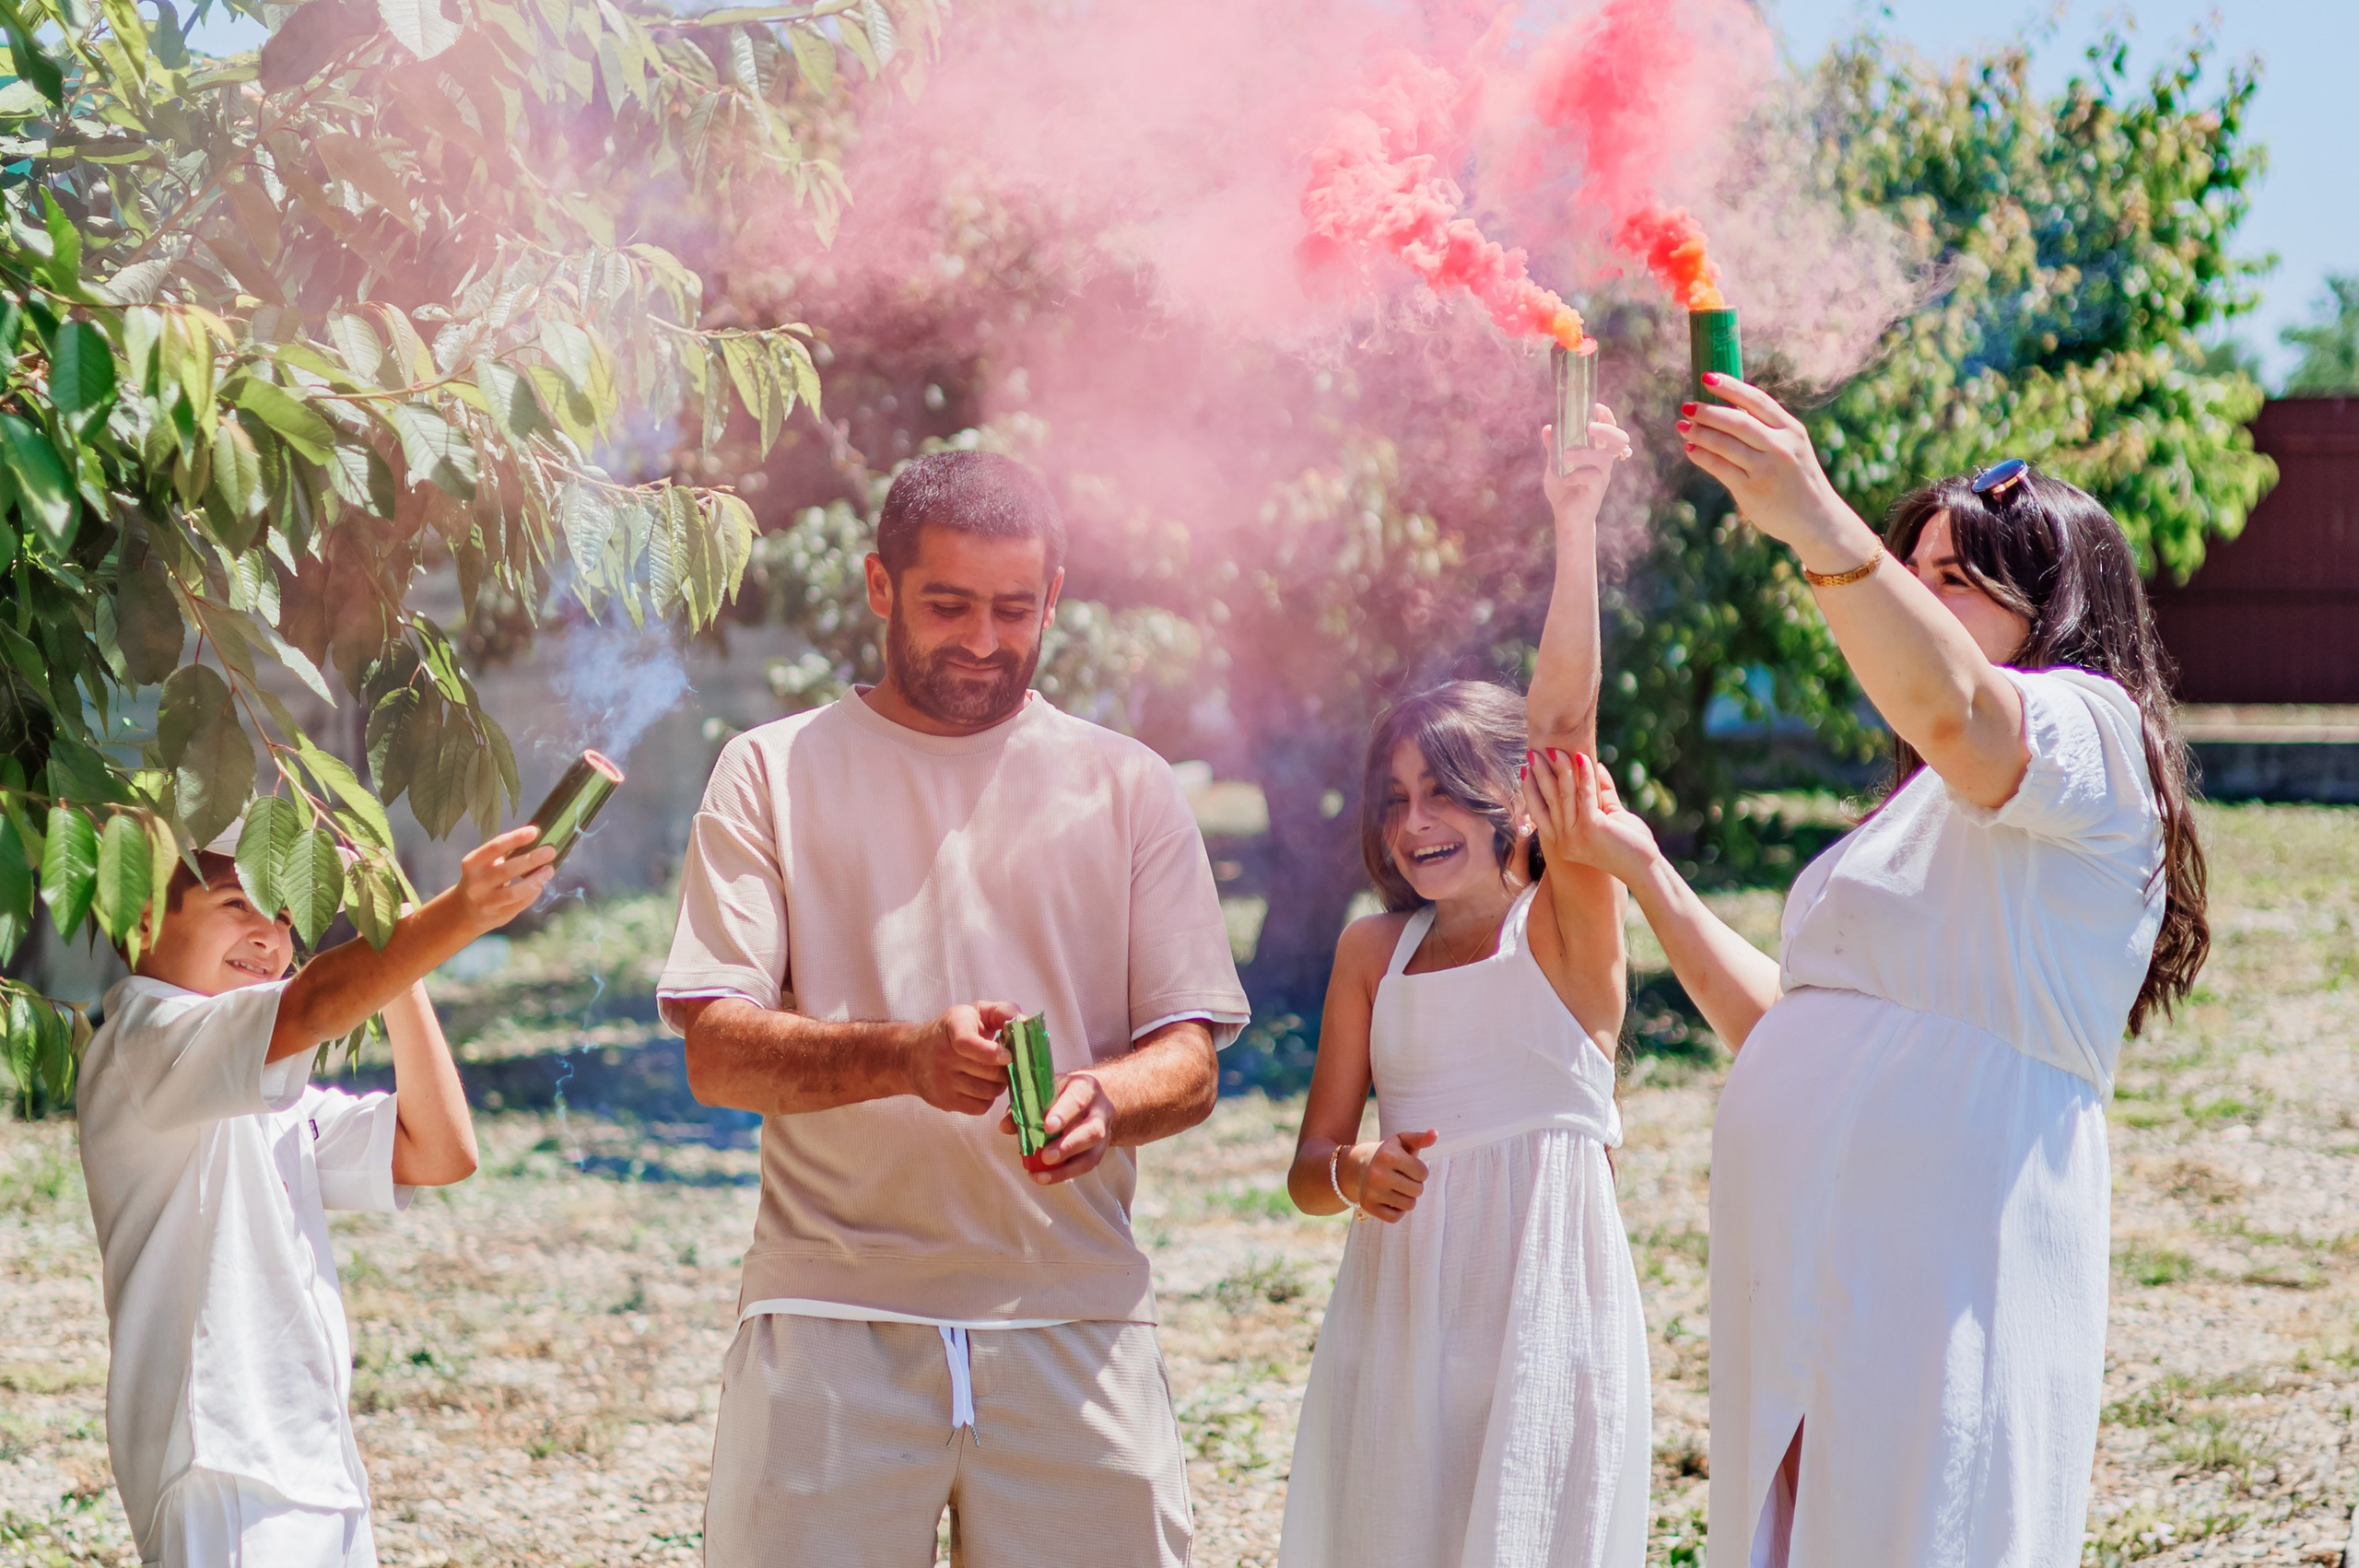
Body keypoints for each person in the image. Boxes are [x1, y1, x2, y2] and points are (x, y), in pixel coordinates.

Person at [1550, 375, 2211, 1566]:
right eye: (1912, 571)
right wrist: (1647, 872)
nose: (1912, 593)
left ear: (2057, 604)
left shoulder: (2097, 736)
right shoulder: (1910, 818)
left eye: (1952, 576)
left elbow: (1959, 708)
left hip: (1950, 1243)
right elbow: (1796, 1024)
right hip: (1810, 1265)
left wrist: (1816, 521)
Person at [658, 449, 1250, 1568]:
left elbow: (1189, 1053)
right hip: (830, 1315)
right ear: (881, 587)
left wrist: (1103, 1098)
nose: (983, 638)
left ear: (1055, 599)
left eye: (1014, 608)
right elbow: (718, 1054)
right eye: (948, 604)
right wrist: (905, 1057)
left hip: (1075, 1315)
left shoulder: (1130, 785)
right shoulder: (768, 770)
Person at [1278, 404, 1649, 1566]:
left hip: (1545, 1314)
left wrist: (1573, 522)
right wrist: (1354, 1174)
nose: (1414, 820)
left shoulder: (1567, 926)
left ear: (1513, 803)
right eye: (1393, 797)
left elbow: (1568, 727)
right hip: (1396, 1318)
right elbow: (1308, 1170)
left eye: (1442, 789)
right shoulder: (1365, 953)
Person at [77, 825, 554, 1567]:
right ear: (141, 916)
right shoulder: (144, 1035)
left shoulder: (263, 1097)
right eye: (238, 901)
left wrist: (402, 960)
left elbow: (440, 1150)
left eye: (288, 916)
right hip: (225, 1468)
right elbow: (312, 1005)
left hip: (313, 1465)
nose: (270, 934)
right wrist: (455, 914)